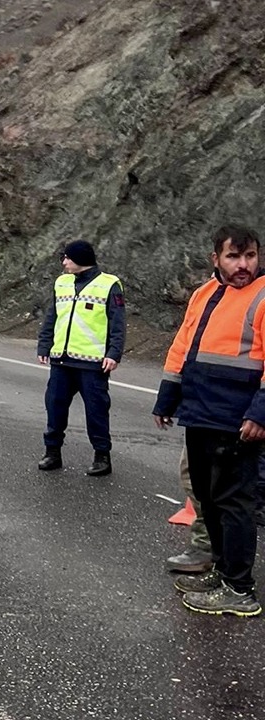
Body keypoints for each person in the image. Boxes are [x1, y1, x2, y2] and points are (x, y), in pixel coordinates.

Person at [154, 225, 265, 617]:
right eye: (234, 256)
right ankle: (220, 571)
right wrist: (167, 397)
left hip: (237, 419)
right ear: (214, 258)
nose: (243, 265)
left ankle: (239, 588)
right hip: (201, 412)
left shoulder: (263, 295)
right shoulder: (204, 294)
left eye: (250, 255)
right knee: (209, 498)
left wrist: (260, 413)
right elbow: (183, 347)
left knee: (234, 503)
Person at [36, 240, 126, 476]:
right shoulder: (61, 283)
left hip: (92, 364)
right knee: (54, 408)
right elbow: (52, 317)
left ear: (80, 260)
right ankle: (52, 452)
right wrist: (44, 345)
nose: (64, 262)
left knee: (96, 411)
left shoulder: (109, 285)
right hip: (61, 361)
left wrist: (114, 353)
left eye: (67, 258)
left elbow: (117, 323)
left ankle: (102, 456)